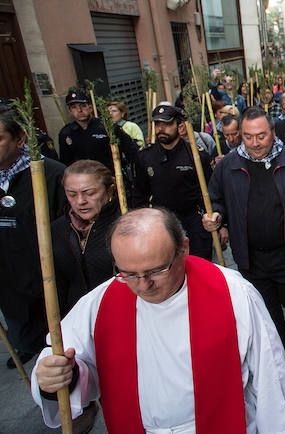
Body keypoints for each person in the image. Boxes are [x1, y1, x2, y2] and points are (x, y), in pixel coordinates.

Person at [31, 208, 285, 432]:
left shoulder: (233, 293)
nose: (143, 285)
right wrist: (57, 375)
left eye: (156, 270)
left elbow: (269, 373)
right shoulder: (100, 303)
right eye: (128, 272)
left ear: (183, 248)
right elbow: (67, 357)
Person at [204, 107, 285, 359]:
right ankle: (281, 354)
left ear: (273, 132)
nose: (255, 143)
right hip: (251, 258)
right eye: (248, 136)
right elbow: (216, 200)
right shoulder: (227, 167)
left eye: (261, 136)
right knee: (267, 312)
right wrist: (217, 219)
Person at [0, 106, 67, 368]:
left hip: (51, 286)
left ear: (19, 139)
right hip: (10, 287)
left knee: (62, 362)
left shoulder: (52, 175)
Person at [134, 104, 214, 261]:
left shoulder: (197, 156)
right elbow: (140, 195)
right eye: (158, 124)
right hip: (162, 224)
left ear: (180, 125)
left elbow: (212, 191)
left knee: (198, 267)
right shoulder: (145, 157)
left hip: (194, 222)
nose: (161, 129)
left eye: (167, 124)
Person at [51, 160, 119, 315]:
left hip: (116, 313)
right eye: (72, 194)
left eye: (90, 193)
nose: (80, 201)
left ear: (110, 191)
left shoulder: (125, 226)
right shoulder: (58, 229)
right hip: (75, 317)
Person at [58, 90, 139, 173]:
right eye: (74, 107)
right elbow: (66, 163)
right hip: (84, 180)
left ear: (90, 108)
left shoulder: (107, 127)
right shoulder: (66, 133)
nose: (79, 110)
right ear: (70, 111)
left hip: (111, 177)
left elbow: (132, 152)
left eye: (83, 106)